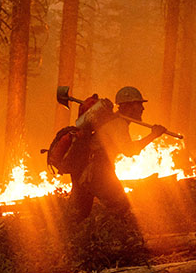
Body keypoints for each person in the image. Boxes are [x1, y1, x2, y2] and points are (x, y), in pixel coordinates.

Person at [68, 86, 167, 224]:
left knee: (79, 214)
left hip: (86, 169)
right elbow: (129, 150)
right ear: (128, 106)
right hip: (97, 170)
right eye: (139, 104)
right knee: (121, 204)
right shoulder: (118, 124)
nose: (142, 108)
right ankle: (108, 234)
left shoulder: (115, 121)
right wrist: (153, 135)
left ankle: (76, 234)